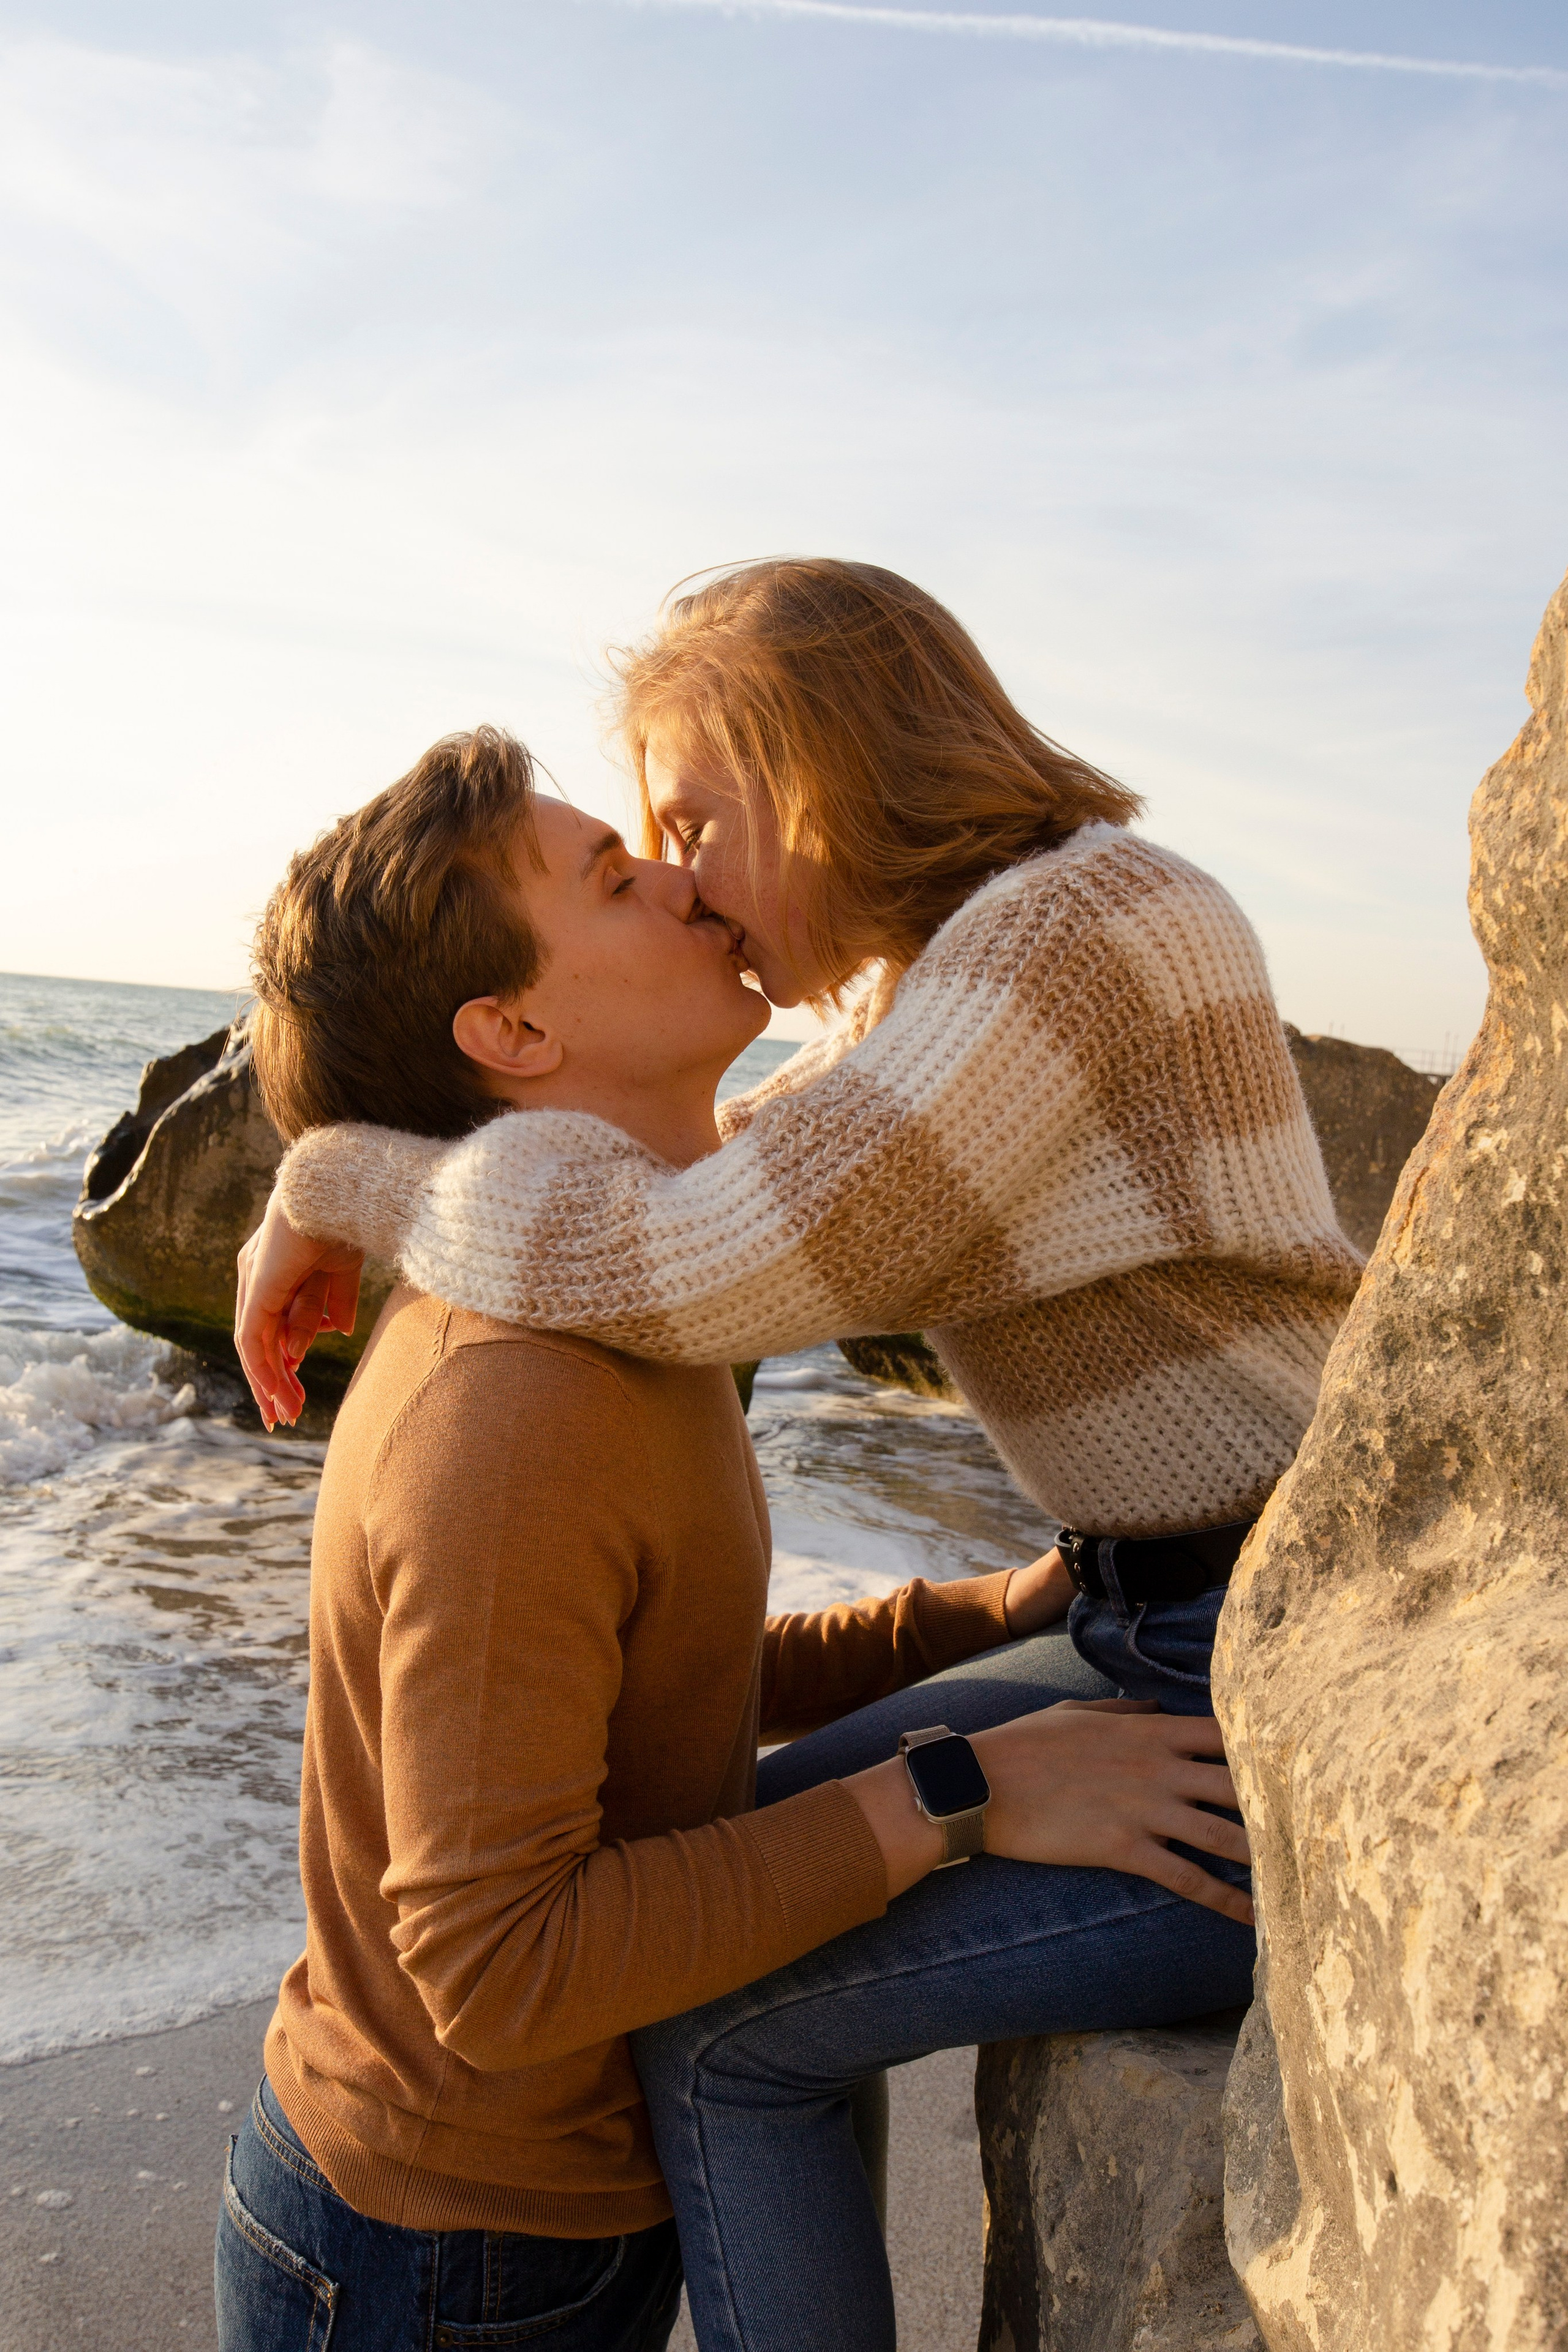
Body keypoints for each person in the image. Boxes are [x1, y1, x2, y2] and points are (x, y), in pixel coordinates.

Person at [235, 562, 1359, 2348]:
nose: (683, 880)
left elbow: (685, 1231)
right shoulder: (965, 986)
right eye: (633, 860)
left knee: (732, 1993)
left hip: (1272, 1647)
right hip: (1166, 1616)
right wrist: (961, 1774)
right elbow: (695, 1199)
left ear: (821, 767)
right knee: (762, 1891)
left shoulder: (1058, 944)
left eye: (688, 821)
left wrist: (346, 1175)